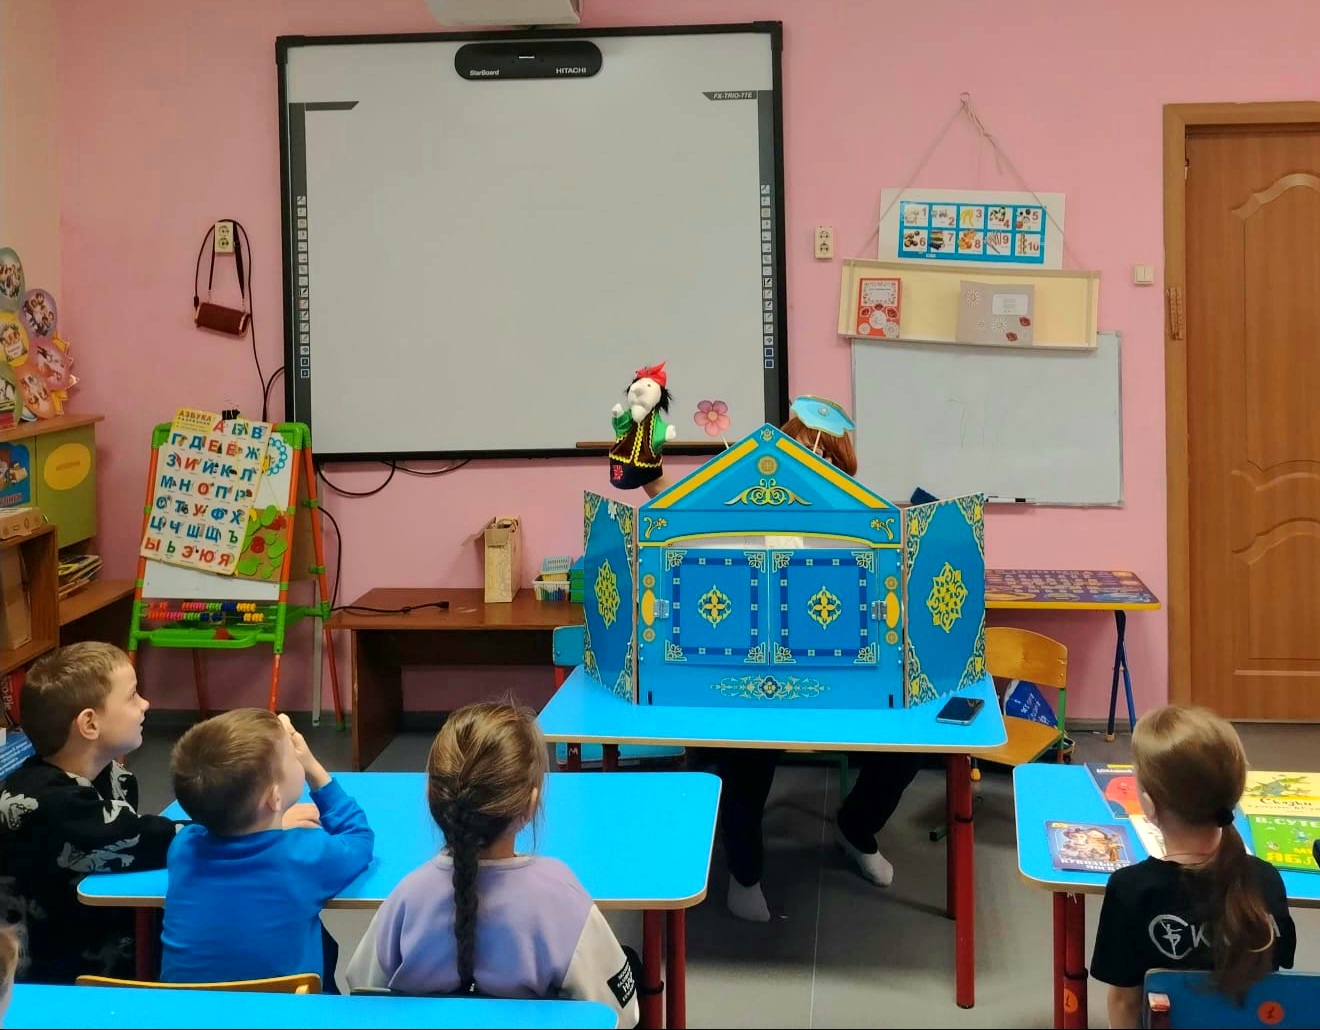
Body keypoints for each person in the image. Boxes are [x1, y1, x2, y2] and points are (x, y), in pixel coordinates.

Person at [713, 401, 922, 923]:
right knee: (746, 754)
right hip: (761, 677)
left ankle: (855, 829)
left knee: (907, 748)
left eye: (829, 459)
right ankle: (744, 873)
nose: (817, 466)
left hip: (844, 675)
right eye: (807, 454)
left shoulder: (861, 521)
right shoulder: (751, 513)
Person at [345, 702, 639, 1028]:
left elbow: (363, 993)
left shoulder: (406, 899)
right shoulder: (563, 901)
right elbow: (620, 1015)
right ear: (529, 805)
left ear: (432, 796)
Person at [1090, 706, 1296, 1029]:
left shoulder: (1130, 890)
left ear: (1149, 804)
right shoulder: (1266, 879)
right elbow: (1274, 981)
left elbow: (1124, 1003)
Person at [0, 643, 183, 983]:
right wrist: (246, 817)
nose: (145, 704)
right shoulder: (50, 803)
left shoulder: (110, 775)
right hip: (58, 976)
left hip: (95, 937)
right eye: (132, 696)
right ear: (89, 723)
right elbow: (151, 839)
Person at [161, 709, 373, 991]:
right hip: (290, 1011)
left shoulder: (183, 848)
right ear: (274, 798)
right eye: (293, 757)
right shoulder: (305, 854)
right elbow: (359, 838)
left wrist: (276, 820)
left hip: (187, 1010)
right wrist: (313, 769)